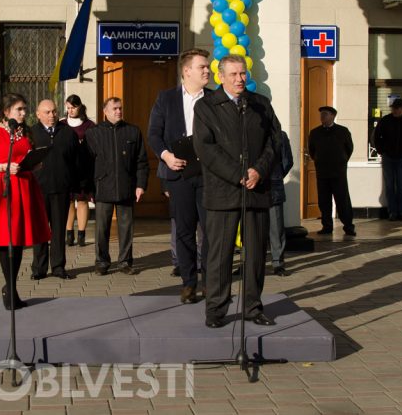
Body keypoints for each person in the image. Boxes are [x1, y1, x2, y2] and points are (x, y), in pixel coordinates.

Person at [193, 55, 282, 328]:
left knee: (255, 254)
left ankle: (253, 307)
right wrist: (238, 174)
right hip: (223, 192)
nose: (239, 79)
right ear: (221, 76)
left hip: (256, 189)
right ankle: (216, 309)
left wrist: (259, 170)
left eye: (242, 74)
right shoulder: (207, 106)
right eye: (233, 74)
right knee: (220, 255)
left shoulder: (260, 105)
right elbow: (206, 148)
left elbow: (274, 141)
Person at [148, 47, 212, 304]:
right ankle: (188, 283)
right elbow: (154, 133)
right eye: (202, 67)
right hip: (180, 173)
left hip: (208, 174)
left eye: (207, 67)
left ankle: (210, 281)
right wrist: (166, 156)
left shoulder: (215, 99)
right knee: (184, 231)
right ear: (187, 71)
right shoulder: (166, 98)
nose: (207, 70)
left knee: (210, 230)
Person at [0, 93, 51, 310]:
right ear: (6, 111)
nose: (23, 113)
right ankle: (10, 288)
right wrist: (4, 167)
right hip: (4, 189)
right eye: (19, 109)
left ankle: (12, 289)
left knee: (18, 240)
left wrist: (33, 164)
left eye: (25, 109)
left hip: (25, 187)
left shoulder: (22, 132)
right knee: (6, 238)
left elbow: (23, 156)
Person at [85, 97, 148, 276]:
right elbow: (87, 164)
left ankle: (125, 262)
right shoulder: (93, 133)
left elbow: (141, 161)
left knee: (126, 227)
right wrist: (88, 188)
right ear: (105, 111)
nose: (118, 111)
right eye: (114, 109)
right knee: (101, 228)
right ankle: (102, 261)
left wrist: (140, 185)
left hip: (126, 187)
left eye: (120, 108)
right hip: (102, 187)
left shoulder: (133, 131)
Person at [29, 99, 79, 280]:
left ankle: (58, 267)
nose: (52, 115)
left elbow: (76, 161)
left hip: (61, 189)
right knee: (40, 230)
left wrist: (74, 185)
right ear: (38, 114)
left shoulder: (68, 133)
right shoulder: (31, 134)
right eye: (47, 112)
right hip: (38, 191)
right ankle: (39, 269)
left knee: (58, 230)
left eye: (54, 112)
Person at [308, 106, 355, 236]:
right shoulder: (315, 132)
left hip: (338, 172)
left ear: (333, 116)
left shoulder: (342, 131)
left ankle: (348, 226)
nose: (322, 116)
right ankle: (327, 226)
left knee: (342, 200)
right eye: (321, 114)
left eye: (325, 114)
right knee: (324, 201)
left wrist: (341, 160)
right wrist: (318, 160)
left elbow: (349, 148)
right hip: (322, 172)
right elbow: (312, 150)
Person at [373, 98, 402, 221]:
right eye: (393, 108)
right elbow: (377, 136)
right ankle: (392, 212)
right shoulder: (386, 120)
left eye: (397, 108)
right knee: (389, 186)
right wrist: (381, 150)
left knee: (401, 185)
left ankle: (401, 211)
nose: (395, 110)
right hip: (388, 157)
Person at [62, 94, 96, 247]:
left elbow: (94, 147)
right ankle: (69, 233)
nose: (70, 110)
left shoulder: (89, 125)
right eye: (68, 107)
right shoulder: (61, 124)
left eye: (73, 107)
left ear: (80, 107)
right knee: (68, 201)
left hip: (83, 169)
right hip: (67, 169)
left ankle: (81, 234)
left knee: (82, 201)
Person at [269, 130, 294, 277]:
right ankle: (249, 263)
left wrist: (277, 176)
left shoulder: (280, 135)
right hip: (253, 188)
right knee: (250, 229)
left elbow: (287, 161)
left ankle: (278, 263)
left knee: (276, 227)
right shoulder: (247, 131)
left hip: (274, 187)